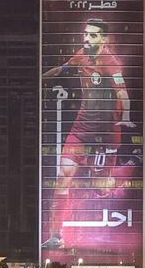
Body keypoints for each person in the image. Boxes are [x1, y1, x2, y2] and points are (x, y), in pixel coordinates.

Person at [41, 19, 135, 246]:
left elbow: (122, 94)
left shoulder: (111, 64)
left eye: (92, 35)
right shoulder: (82, 53)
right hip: (81, 129)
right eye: (85, 34)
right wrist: (41, 78)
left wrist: (125, 118)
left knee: (101, 188)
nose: (86, 39)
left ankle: (130, 168)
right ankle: (56, 236)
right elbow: (64, 68)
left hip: (104, 133)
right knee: (63, 177)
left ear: (103, 39)